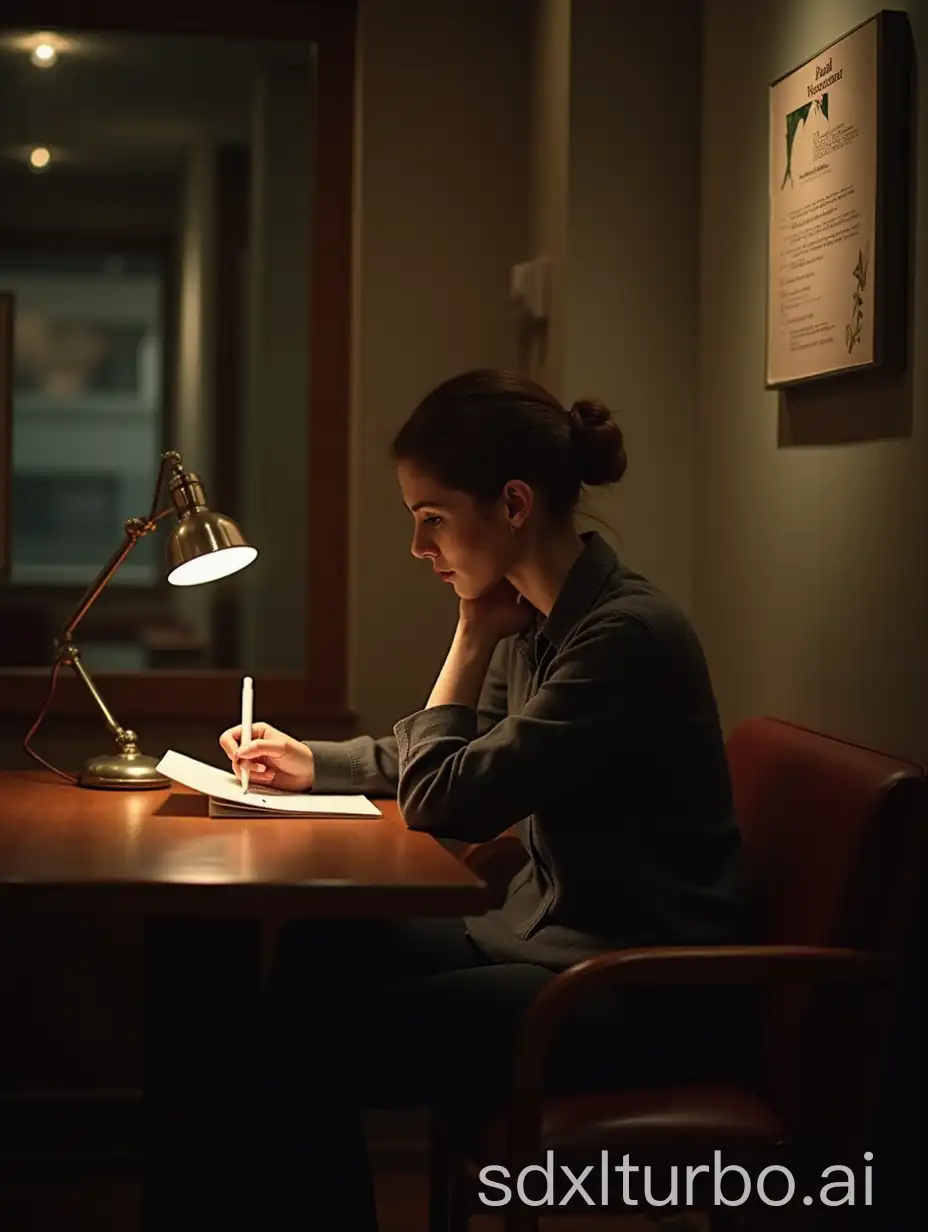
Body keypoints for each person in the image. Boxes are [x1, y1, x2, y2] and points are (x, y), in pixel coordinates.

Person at [219, 369, 750, 1229]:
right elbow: (456, 758)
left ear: (512, 504)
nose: (421, 547)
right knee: (317, 949)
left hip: (632, 990)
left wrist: (468, 635)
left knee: (304, 1052)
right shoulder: (545, 621)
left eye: (432, 518)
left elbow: (449, 800)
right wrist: (311, 761)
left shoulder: (623, 638)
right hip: (541, 945)